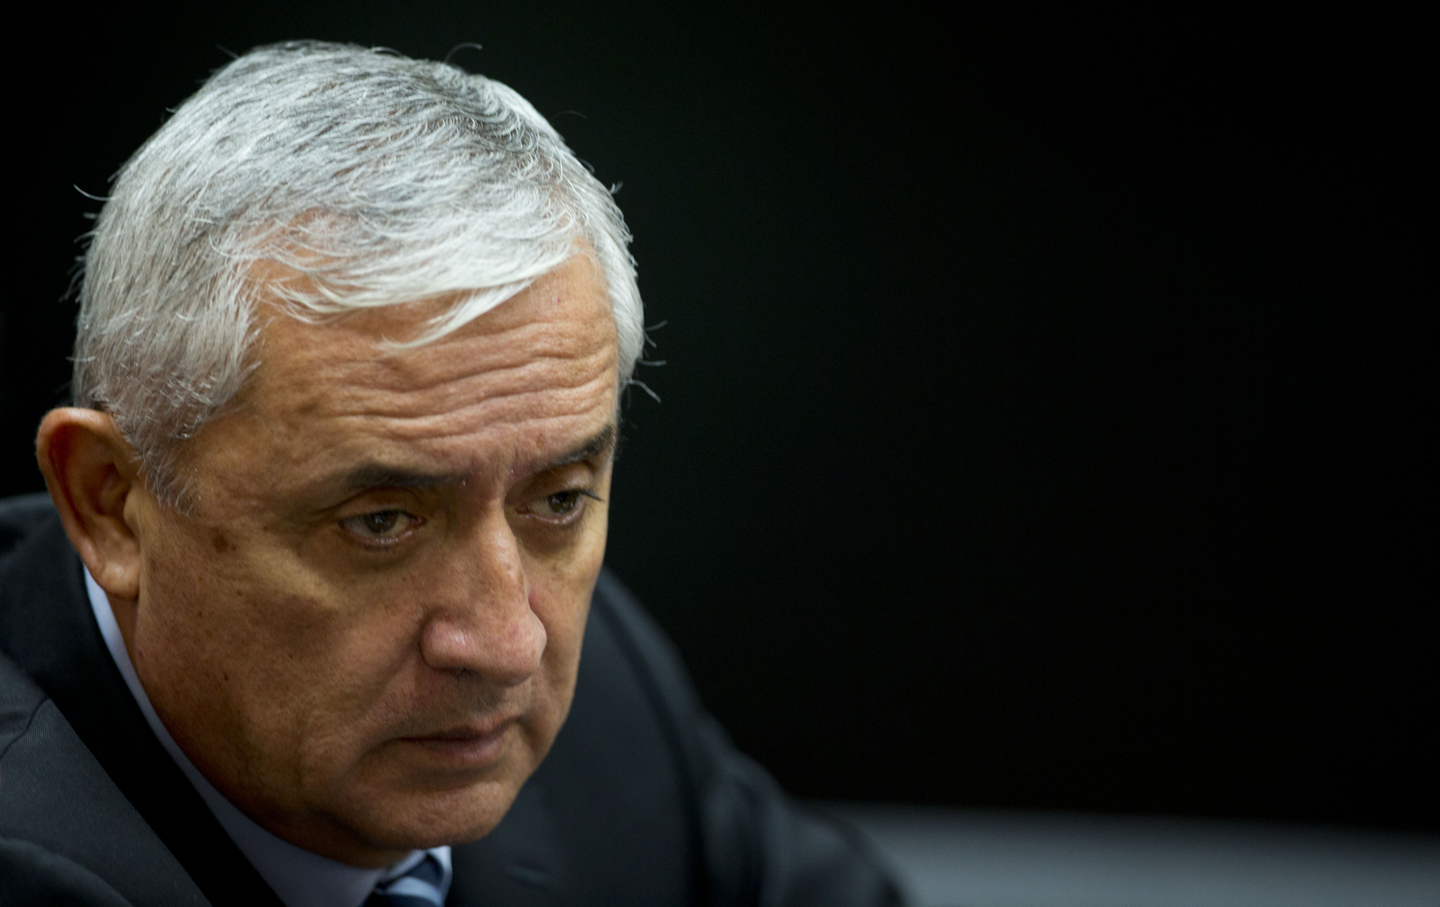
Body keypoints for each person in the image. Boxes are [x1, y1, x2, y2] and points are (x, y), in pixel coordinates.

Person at [0, 41, 901, 906]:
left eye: (556, 499)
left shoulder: (609, 704)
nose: (509, 644)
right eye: (382, 521)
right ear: (112, 504)